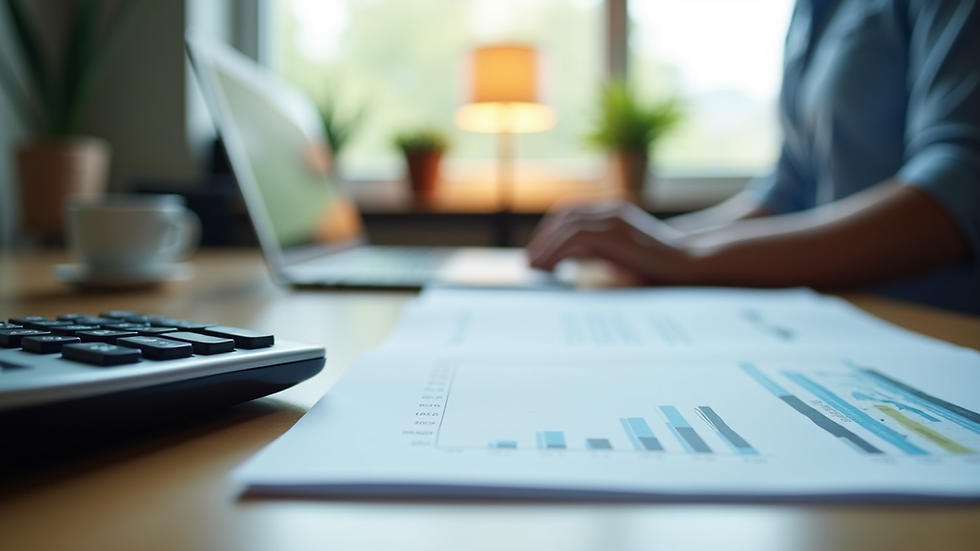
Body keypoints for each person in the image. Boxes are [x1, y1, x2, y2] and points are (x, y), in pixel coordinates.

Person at [526, 0, 980, 315]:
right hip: (837, 320)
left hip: (935, 332)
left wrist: (683, 255)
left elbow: (958, 191)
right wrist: (651, 241)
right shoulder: (810, 13)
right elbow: (785, 195)